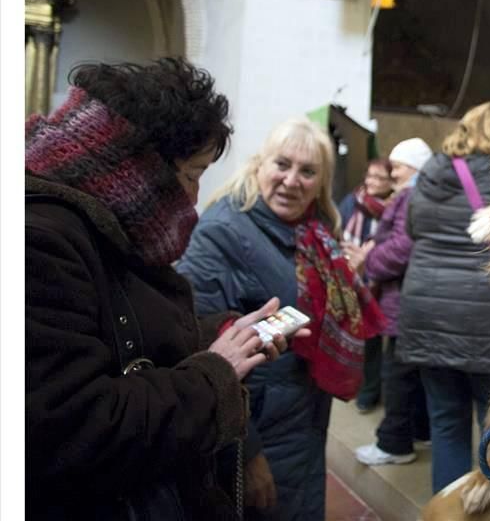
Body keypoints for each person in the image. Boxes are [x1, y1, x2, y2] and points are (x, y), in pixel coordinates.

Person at [26, 59, 295, 520]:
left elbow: (121, 328)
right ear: (135, 168)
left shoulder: (100, 225)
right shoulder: (38, 241)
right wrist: (217, 374)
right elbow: (70, 429)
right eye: (191, 173)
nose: (193, 198)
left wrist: (217, 332)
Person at [178, 118, 382, 521]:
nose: (292, 181)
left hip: (301, 420)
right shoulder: (222, 232)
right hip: (255, 427)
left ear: (321, 181)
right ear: (260, 165)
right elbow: (200, 352)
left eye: (307, 172)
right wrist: (246, 453)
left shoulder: (313, 230)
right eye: (282, 165)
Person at [396, 101, 490, 492]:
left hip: (427, 308)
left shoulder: (433, 169)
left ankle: (446, 512)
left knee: (446, 425)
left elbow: (413, 227)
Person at [351, 138, 435, 466]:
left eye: (397, 166)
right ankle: (419, 431)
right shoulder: (421, 193)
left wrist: (369, 258)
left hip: (404, 300)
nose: (392, 173)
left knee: (397, 374)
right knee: (415, 372)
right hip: (414, 299)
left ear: (413, 167)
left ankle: (394, 445)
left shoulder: (411, 195)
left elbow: (402, 246)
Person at [339, 158, 395, 414]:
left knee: (380, 342)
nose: (371, 182)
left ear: (391, 181)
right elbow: (337, 230)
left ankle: (375, 392)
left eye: (378, 178)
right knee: (362, 337)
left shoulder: (397, 206)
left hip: (384, 279)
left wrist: (371, 255)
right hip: (353, 277)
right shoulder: (353, 201)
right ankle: (361, 389)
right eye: (369, 176)